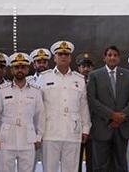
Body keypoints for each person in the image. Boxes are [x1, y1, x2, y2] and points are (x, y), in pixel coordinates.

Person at [39, 41, 91, 172]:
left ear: (70, 58)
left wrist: (86, 128)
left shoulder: (79, 79)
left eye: (66, 54)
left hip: (72, 132)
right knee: (49, 169)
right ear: (54, 58)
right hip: (50, 132)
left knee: (71, 169)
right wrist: (39, 132)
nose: (63, 56)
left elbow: (83, 106)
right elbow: (39, 107)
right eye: (60, 54)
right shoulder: (44, 78)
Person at [0, 53, 44, 172]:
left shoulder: (36, 92)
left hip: (28, 139)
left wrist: (39, 137)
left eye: (23, 67)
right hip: (6, 139)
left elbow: (40, 116)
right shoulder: (2, 90)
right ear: (11, 69)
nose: (20, 70)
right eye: (16, 67)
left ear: (27, 69)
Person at [88, 46, 129, 172]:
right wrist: (112, 116)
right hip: (102, 127)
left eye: (115, 55)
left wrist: (122, 117)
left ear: (119, 58)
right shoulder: (95, 75)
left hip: (122, 127)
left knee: (121, 165)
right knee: (101, 166)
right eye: (109, 55)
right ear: (104, 58)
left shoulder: (127, 75)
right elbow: (92, 100)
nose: (112, 57)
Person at [78, 53, 95, 172]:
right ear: (79, 68)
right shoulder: (73, 83)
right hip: (77, 128)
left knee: (93, 163)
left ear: (92, 68)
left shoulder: (97, 83)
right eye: (83, 66)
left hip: (93, 129)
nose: (86, 69)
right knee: (75, 163)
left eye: (88, 66)